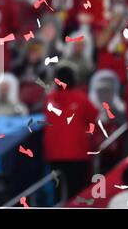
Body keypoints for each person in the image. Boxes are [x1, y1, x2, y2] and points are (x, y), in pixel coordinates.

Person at [43, 65, 99, 202]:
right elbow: (94, 117)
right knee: (76, 193)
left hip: (54, 153)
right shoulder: (81, 98)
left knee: (58, 192)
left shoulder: (49, 99)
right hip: (77, 152)